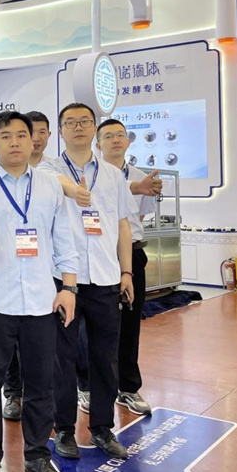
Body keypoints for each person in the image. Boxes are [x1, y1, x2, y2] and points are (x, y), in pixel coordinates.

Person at [0, 111, 77, 472]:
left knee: (42, 382)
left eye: (21, 135)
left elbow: (64, 237)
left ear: (32, 141)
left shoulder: (49, 186)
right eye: (6, 136)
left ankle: (37, 456)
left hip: (41, 299)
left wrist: (69, 287)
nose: (15, 142)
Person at [40, 103, 139, 461]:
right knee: (62, 358)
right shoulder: (47, 169)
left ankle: (102, 428)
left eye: (85, 121)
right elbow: (54, 182)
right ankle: (64, 429)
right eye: (70, 122)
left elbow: (123, 225)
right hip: (64, 280)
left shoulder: (112, 175)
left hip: (106, 277)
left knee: (104, 357)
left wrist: (126, 272)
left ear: (94, 128)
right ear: (61, 131)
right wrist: (72, 189)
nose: (78, 127)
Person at [90, 118, 161, 416]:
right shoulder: (90, 176)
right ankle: (89, 387)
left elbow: (136, 221)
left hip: (132, 254)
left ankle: (128, 388)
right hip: (98, 255)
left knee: (130, 324)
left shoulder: (142, 177)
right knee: (93, 325)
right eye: (108, 136)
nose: (116, 140)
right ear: (98, 144)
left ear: (128, 141)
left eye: (120, 135)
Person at [2, 110, 57, 422]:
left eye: (39, 132)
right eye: (27, 132)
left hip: (42, 275)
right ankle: (13, 393)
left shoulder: (53, 176)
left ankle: (42, 412)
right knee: (8, 346)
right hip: (7, 276)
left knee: (41, 351)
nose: (34, 138)